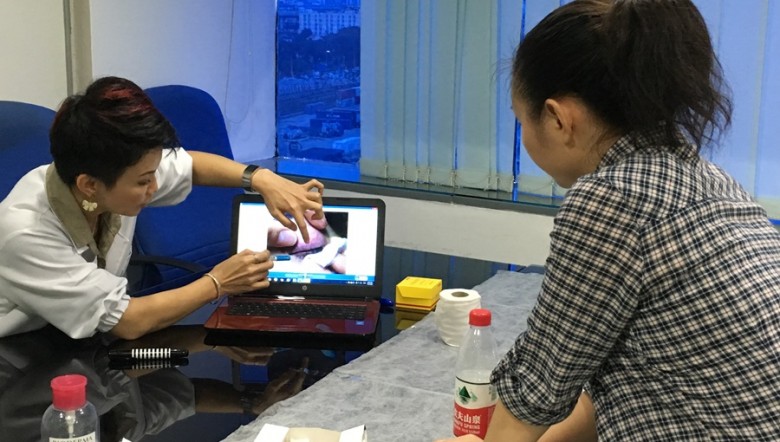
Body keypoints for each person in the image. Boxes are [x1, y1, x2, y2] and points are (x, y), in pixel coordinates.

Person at [437, 0, 780, 441]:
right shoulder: (711, 180)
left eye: (522, 121)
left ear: (558, 119)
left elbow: (535, 394)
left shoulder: (612, 199)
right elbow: (610, 385)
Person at [0, 76, 325, 341]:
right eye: (144, 181)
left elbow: (189, 165)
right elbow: (127, 322)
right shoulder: (26, 233)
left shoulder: (108, 175)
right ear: (89, 186)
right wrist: (218, 283)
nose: (155, 187)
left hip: (77, 339)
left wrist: (262, 178)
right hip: (19, 359)